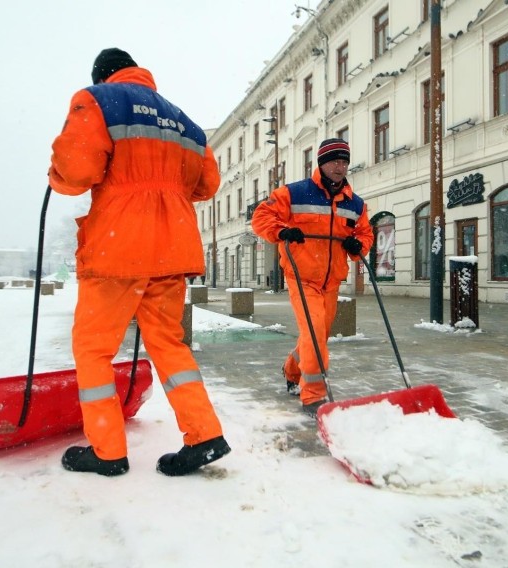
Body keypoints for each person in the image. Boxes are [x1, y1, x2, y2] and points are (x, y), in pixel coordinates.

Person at [47, 48, 230, 476]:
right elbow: (207, 184)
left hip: (119, 248)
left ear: (101, 75)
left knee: (93, 348)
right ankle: (204, 434)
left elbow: (76, 172)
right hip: (172, 247)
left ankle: (107, 450)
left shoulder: (96, 100)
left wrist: (56, 173)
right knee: (169, 343)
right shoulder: (182, 120)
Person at [251, 139, 373, 415]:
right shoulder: (293, 193)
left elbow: (365, 233)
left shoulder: (355, 204)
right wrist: (282, 231)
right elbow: (262, 216)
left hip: (331, 280)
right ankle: (314, 395)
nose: (340, 167)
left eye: (344, 162)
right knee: (315, 331)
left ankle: (292, 369)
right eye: (335, 161)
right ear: (321, 163)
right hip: (301, 276)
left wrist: (358, 246)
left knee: (318, 335)